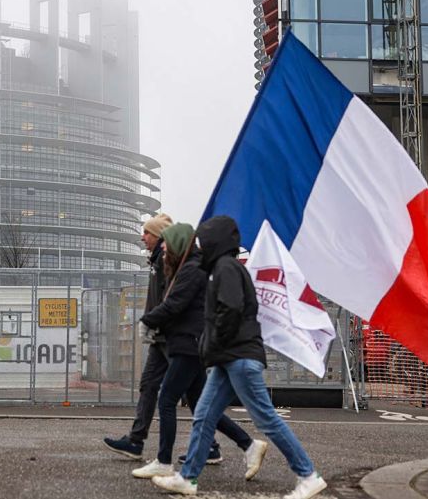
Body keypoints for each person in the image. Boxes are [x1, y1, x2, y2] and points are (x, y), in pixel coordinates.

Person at [152, 216, 327, 499]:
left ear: (215, 241)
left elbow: (230, 310)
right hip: (229, 357)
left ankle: (308, 475)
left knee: (266, 419)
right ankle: (188, 478)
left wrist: (212, 343)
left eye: (204, 239)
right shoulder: (223, 268)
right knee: (204, 416)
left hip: (238, 357)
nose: (200, 245)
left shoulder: (226, 268)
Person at [131, 223, 266, 480]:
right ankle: (248, 444)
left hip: (188, 345)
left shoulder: (192, 270)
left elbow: (174, 304)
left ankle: (163, 461)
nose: (162, 245)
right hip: (188, 344)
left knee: (167, 399)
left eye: (166, 242)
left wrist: (148, 320)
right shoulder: (187, 268)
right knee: (203, 407)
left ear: (179, 243)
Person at [103, 213, 173, 460]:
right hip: (160, 337)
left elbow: (172, 299)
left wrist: (152, 321)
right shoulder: (156, 261)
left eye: (147, 233)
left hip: (170, 337)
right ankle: (135, 441)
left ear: (159, 236)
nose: (142, 237)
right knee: (148, 385)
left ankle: (222, 445)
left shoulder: (167, 260)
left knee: (195, 394)